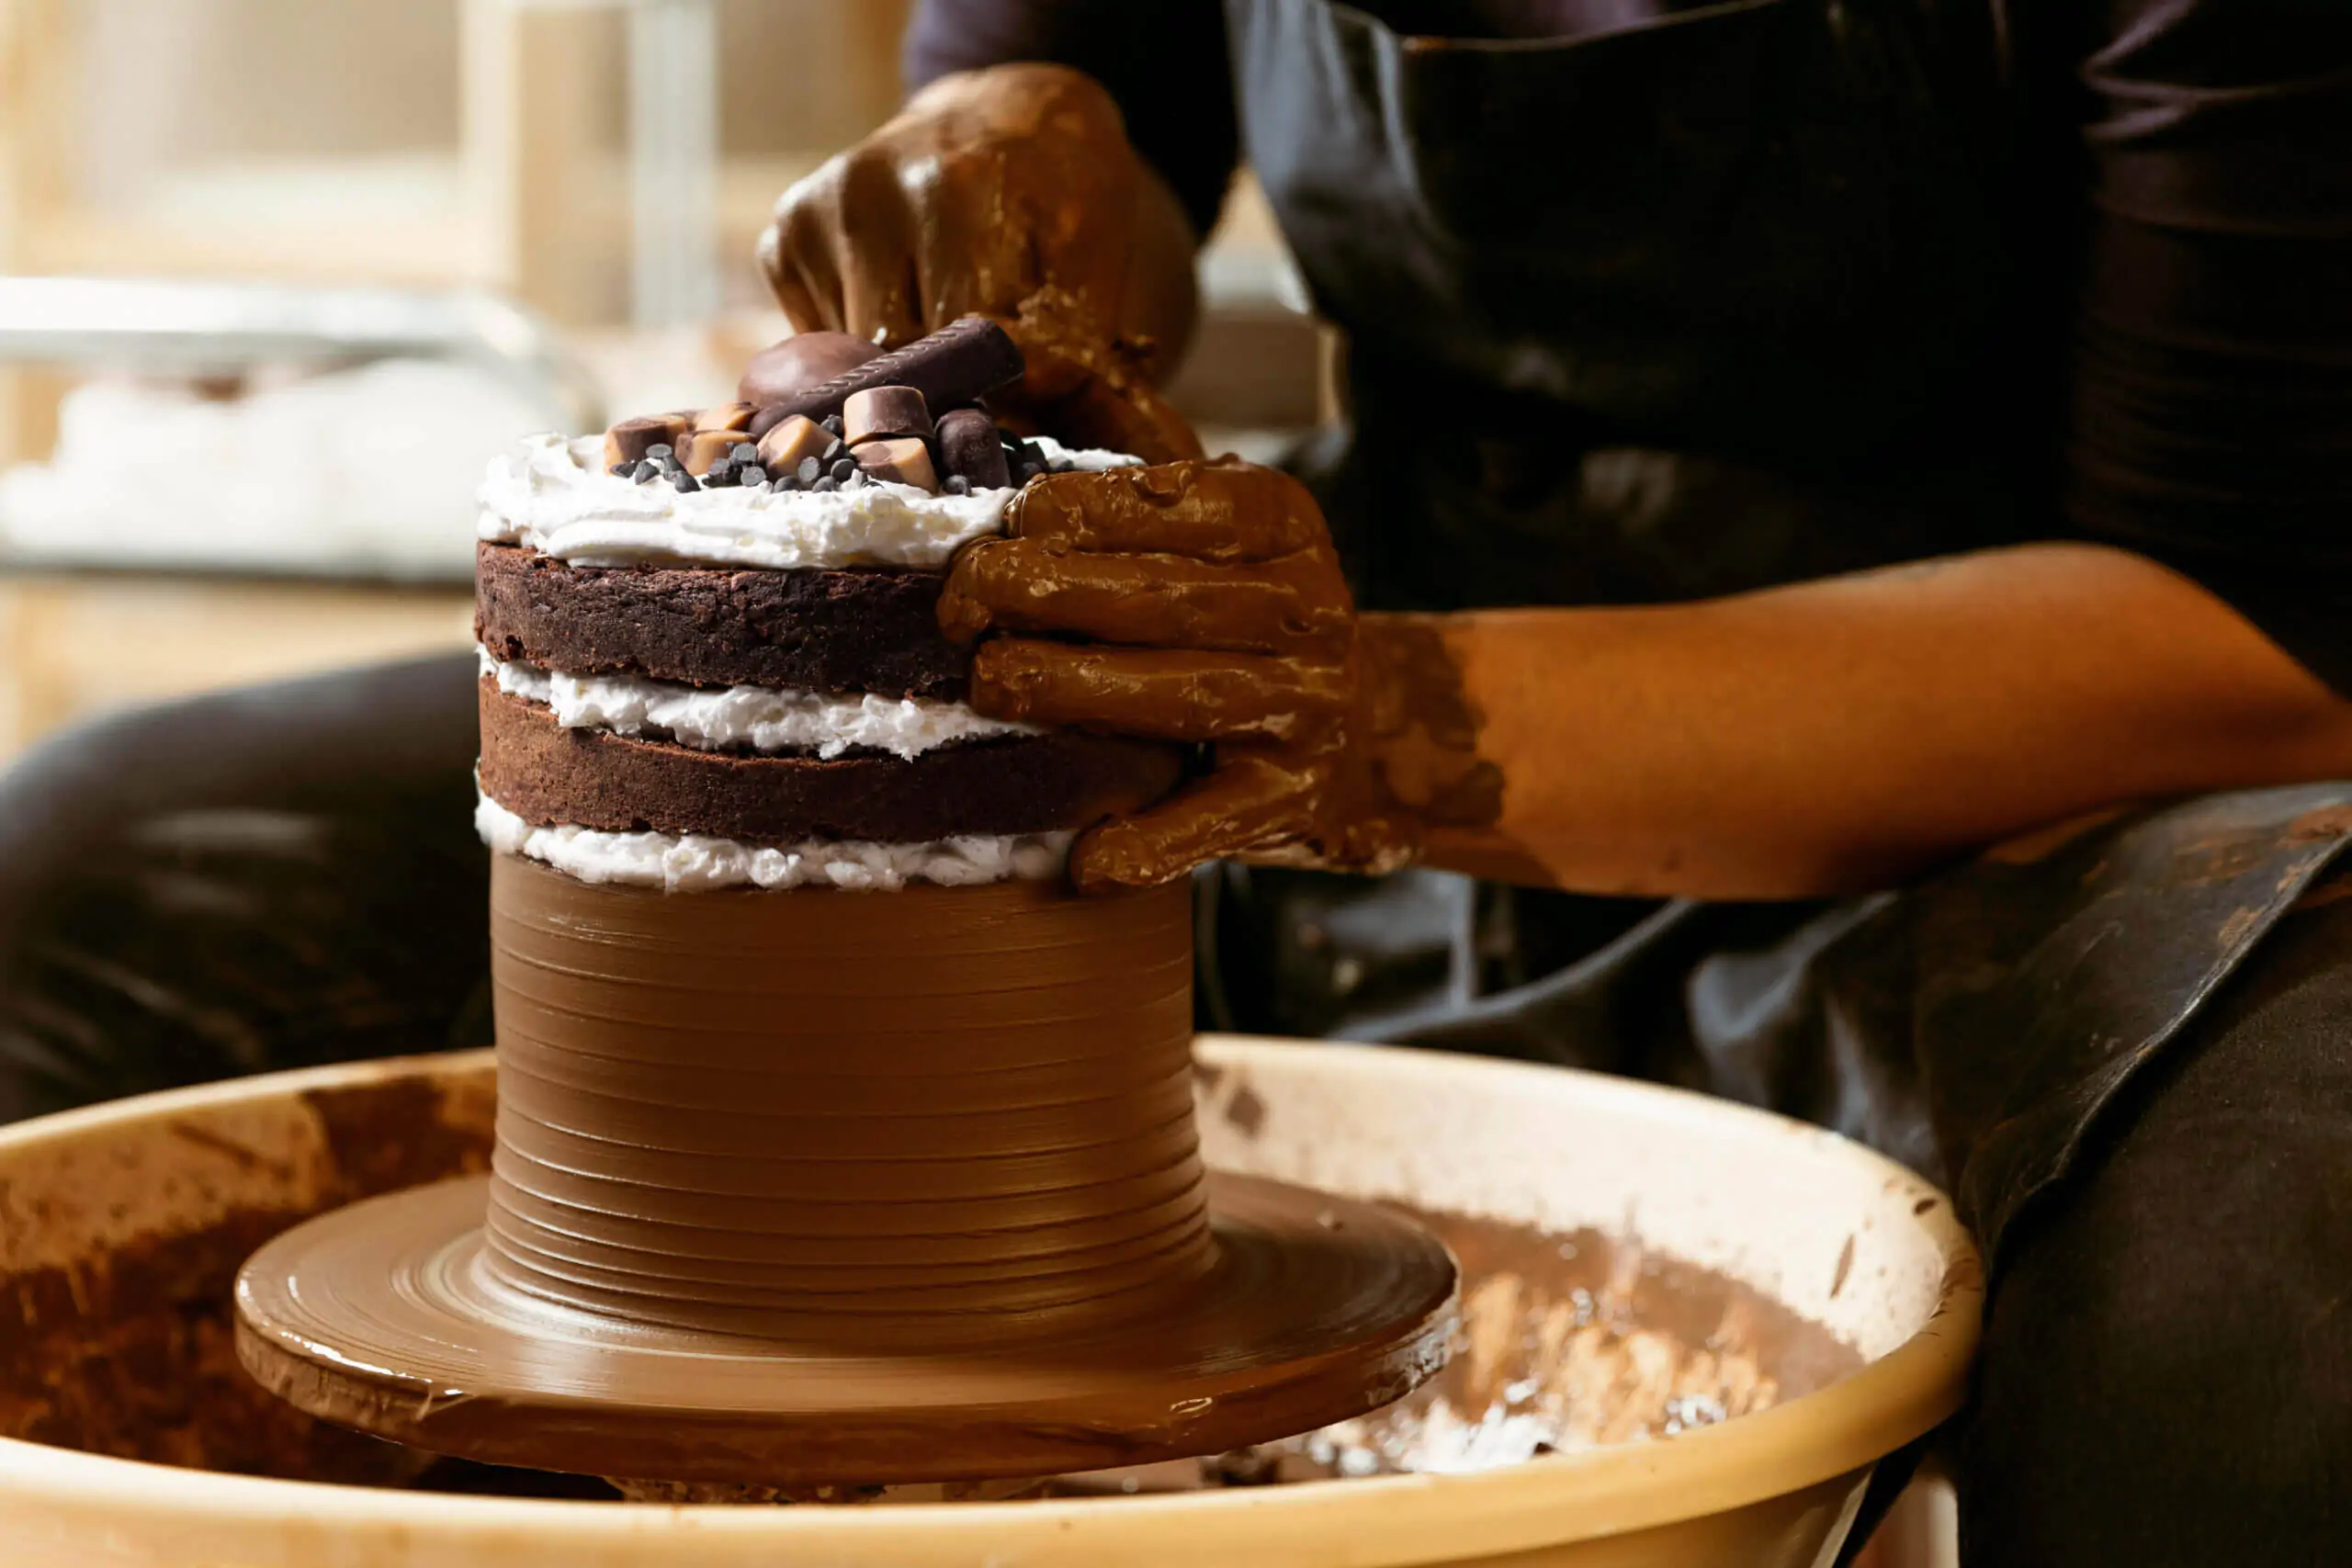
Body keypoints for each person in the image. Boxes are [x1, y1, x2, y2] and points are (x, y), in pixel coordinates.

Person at [0, 2, 2344, 1561]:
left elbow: (2250, 635)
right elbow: (1048, 133)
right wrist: (1016, 155)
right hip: (1281, 631)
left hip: (2020, 751)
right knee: (91, 870)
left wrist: (1364, 720)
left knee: (2271, 1288)